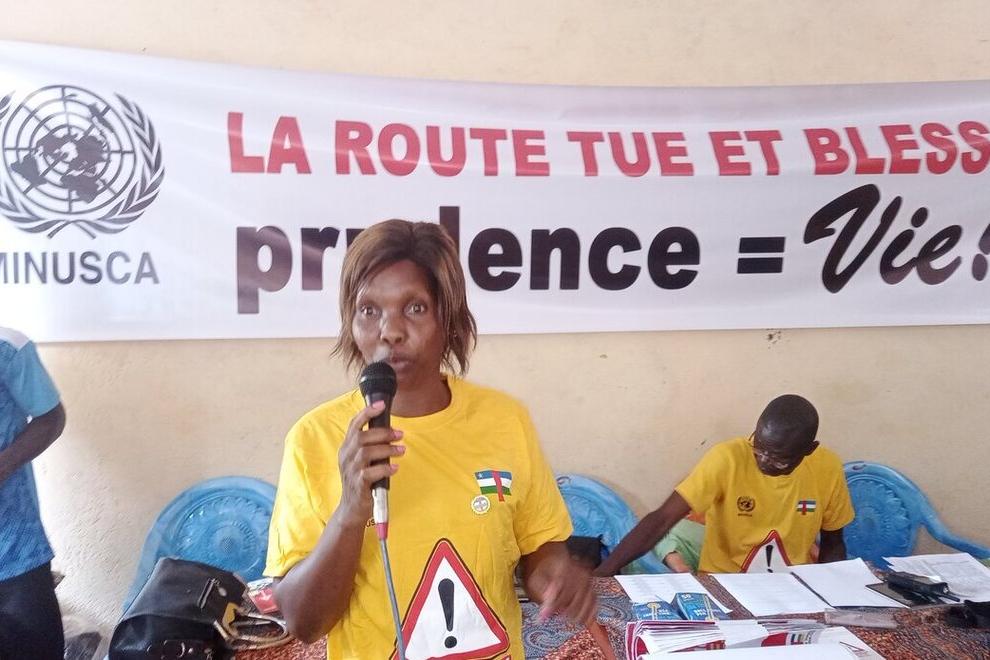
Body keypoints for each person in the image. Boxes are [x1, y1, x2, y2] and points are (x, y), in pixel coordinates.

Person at [265, 220, 595, 658]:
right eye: (369, 310)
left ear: (449, 319)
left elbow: (541, 552)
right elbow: (303, 623)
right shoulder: (314, 439)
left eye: (415, 308)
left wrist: (556, 578)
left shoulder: (505, 420)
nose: (390, 331)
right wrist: (349, 512)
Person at [596, 394, 853, 576]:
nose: (763, 461)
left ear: (809, 450)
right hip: (725, 584)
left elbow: (833, 542)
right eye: (759, 449)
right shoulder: (727, 458)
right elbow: (663, 519)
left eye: (778, 459)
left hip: (791, 586)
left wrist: (832, 590)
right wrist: (602, 573)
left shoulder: (827, 467)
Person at [0, 327, 67, 660]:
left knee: (38, 648)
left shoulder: (8, 347)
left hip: (14, 547)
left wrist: (4, 465)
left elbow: (51, 418)